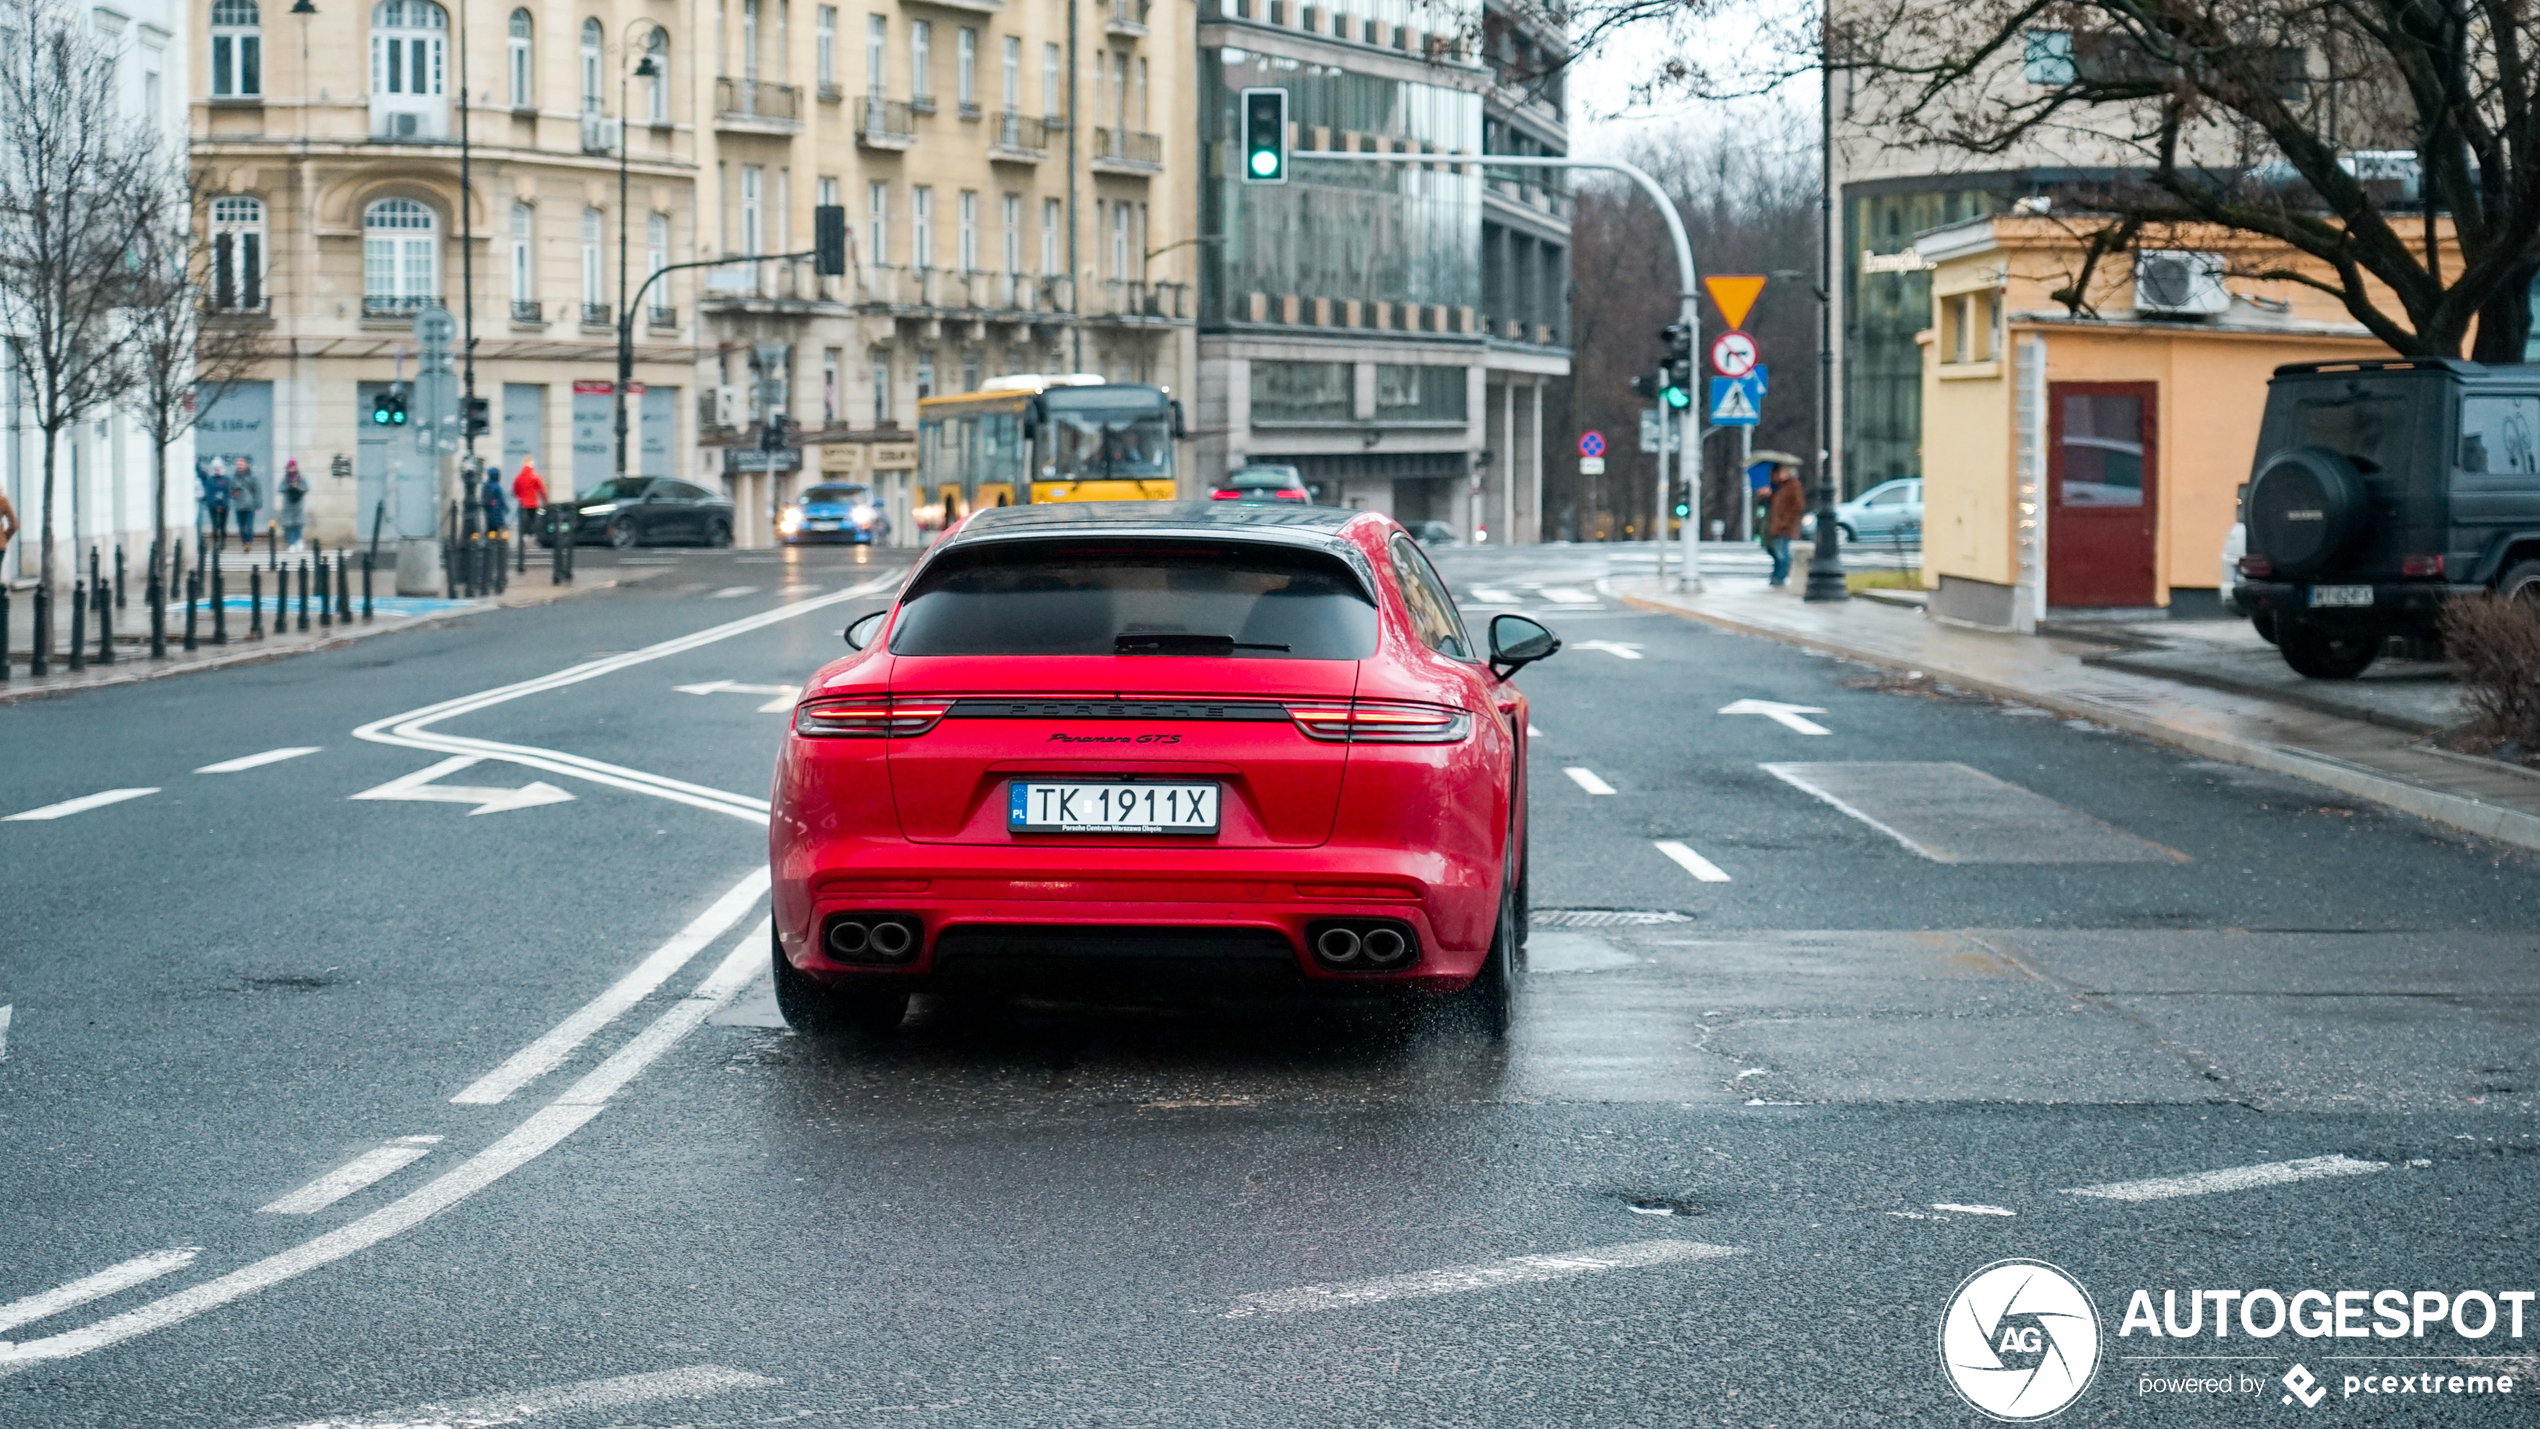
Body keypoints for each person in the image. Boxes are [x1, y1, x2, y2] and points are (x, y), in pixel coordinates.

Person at [1760, 451, 1808, 588]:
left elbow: (1799, 505)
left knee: (1782, 552)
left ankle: (1780, 577)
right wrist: (1767, 495)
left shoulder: (1793, 485)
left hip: (1784, 525)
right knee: (1774, 549)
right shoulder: (1779, 486)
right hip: (1775, 523)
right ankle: (1777, 575)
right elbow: (1774, 504)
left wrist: (1786, 520)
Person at [510, 459, 546, 543]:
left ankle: (523, 535)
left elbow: (515, 490)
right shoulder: (535, 476)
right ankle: (532, 535)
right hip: (533, 503)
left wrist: (517, 496)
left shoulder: (518, 477)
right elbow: (541, 489)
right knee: (532, 520)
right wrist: (544, 500)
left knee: (523, 520)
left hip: (522, 503)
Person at [230, 455, 261, 547]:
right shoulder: (235, 477)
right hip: (239, 505)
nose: (239, 465)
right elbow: (230, 489)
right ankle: (244, 542)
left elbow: (257, 491)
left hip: (249, 504)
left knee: (249, 526)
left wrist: (258, 505)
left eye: (241, 463)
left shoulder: (252, 476)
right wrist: (234, 493)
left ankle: (248, 542)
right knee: (241, 526)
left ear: (246, 464)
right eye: (238, 464)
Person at [278, 460, 308, 549]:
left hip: (298, 505)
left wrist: (297, 487)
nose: (291, 469)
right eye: (290, 467)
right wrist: (289, 486)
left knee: (298, 524)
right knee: (289, 525)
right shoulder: (285, 478)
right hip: (288, 505)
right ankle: (291, 543)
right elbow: (280, 489)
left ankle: (299, 540)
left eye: (293, 467)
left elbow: (305, 488)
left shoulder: (300, 478)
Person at [203, 458, 231, 550]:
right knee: (215, 525)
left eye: (219, 468)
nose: (217, 470)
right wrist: (215, 505)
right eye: (215, 468)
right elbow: (209, 494)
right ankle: (216, 542)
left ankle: (222, 542)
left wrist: (223, 504)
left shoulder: (226, 480)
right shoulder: (210, 480)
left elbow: (228, 493)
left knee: (223, 525)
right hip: (213, 506)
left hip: (224, 506)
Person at [480, 468, 509, 534]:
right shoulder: (496, 486)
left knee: (490, 528)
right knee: (498, 529)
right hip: (496, 511)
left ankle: (489, 540)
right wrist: (505, 507)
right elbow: (500, 499)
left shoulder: (485, 485)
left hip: (488, 511)